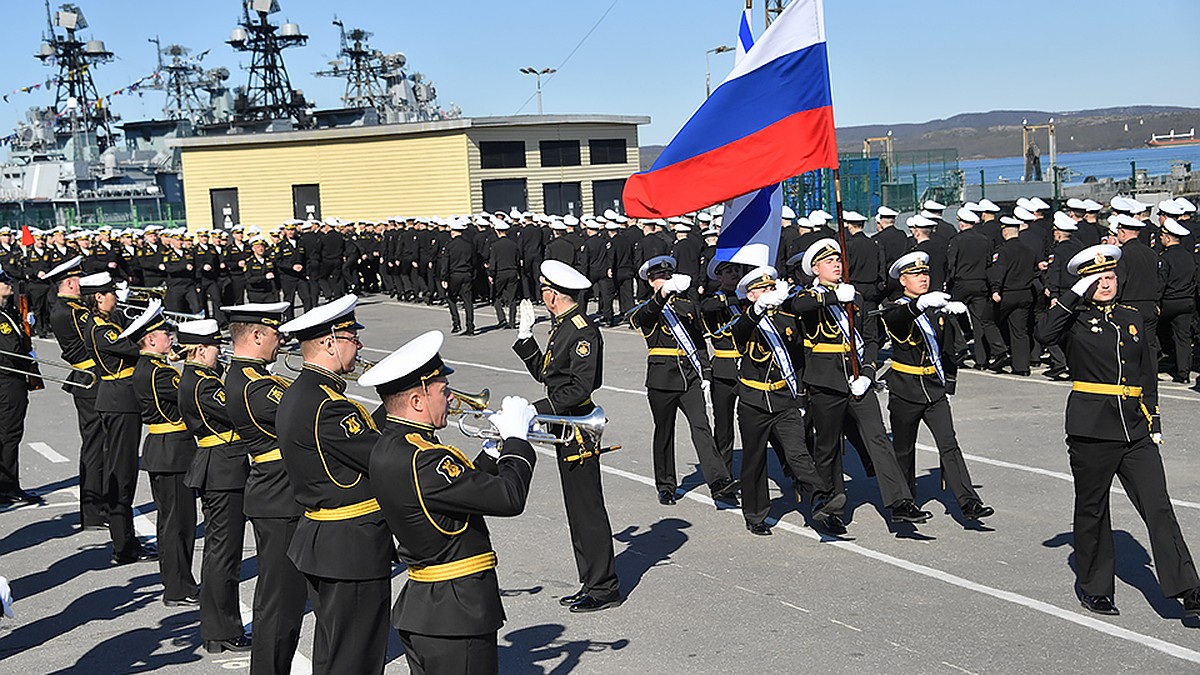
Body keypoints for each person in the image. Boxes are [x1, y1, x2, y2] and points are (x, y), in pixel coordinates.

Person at [1035, 244, 1200, 618]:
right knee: (1093, 508)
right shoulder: (1071, 318)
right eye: (1096, 279)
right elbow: (1044, 334)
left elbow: (1144, 374)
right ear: (1083, 284)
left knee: (1158, 505)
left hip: (1135, 427)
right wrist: (1072, 294)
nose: (1105, 283)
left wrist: (1154, 420)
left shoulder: (1132, 316)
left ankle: (1188, 588)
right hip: (1092, 428)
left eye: (1110, 277)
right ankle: (1095, 588)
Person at [362, 331, 537, 674]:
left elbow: (451, 492)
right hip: (457, 612)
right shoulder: (426, 458)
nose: (451, 397)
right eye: (443, 391)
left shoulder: (391, 446)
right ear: (416, 401)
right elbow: (509, 497)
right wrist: (518, 442)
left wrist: (490, 455)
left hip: (428, 606)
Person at [783, 239, 931, 533]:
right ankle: (829, 507)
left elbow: (871, 339)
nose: (837, 265)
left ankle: (900, 502)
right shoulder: (810, 297)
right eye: (829, 262)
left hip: (857, 380)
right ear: (815, 269)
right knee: (828, 448)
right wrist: (833, 298)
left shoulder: (857, 298)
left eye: (839, 261)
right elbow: (797, 306)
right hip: (825, 382)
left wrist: (867, 372)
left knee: (877, 438)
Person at [277, 295, 391, 674]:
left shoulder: (301, 393)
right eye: (351, 337)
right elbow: (380, 459)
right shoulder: (331, 405)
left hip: (324, 537)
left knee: (333, 652)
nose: (358, 346)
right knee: (355, 657)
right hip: (350, 544)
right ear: (329, 342)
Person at [513, 261, 621, 613]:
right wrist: (526, 340)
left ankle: (604, 588)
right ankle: (589, 581)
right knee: (576, 511)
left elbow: (579, 387)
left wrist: (536, 408)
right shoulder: (561, 327)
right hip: (564, 424)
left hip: (577, 425)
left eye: (544, 289)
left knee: (587, 509)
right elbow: (548, 374)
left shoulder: (582, 330)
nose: (541, 294)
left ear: (553, 293)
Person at [222, 301, 308, 674]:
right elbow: (307, 416)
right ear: (257, 334)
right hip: (279, 495)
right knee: (280, 603)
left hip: (275, 493)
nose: (279, 341)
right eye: (275, 333)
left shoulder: (253, 377)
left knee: (283, 600)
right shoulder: (256, 385)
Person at [879, 252, 995, 521]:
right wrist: (918, 307)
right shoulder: (893, 306)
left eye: (926, 274)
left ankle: (969, 502)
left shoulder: (936, 308)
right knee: (904, 450)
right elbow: (896, 322)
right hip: (905, 388)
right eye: (916, 275)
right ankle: (904, 503)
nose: (923, 278)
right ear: (903, 280)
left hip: (934, 388)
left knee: (949, 445)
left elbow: (949, 351)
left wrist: (948, 385)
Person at [729, 265, 842, 536]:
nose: (769, 293)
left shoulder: (786, 319)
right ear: (751, 296)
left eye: (771, 288)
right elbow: (741, 333)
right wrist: (757, 311)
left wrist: (801, 397)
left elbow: (798, 360)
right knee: (754, 459)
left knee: (799, 453)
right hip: (754, 400)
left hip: (783, 399)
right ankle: (755, 514)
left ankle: (820, 499)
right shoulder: (743, 320)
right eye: (762, 290)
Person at [629, 256, 738, 505]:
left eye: (669, 276)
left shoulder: (687, 306)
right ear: (650, 281)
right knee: (664, 432)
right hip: (661, 378)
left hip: (689, 375)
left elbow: (698, 341)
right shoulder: (646, 307)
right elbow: (646, 317)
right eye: (660, 277)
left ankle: (719, 481)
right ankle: (665, 484)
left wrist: (707, 374)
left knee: (702, 427)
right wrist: (664, 294)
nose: (666, 280)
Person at [175, 319, 252, 654]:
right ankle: (222, 630)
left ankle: (217, 628)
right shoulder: (203, 384)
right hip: (222, 468)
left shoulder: (199, 378)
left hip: (220, 465)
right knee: (224, 554)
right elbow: (237, 412)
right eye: (215, 347)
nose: (219, 351)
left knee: (221, 553)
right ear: (202, 349)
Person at [129, 307, 200, 607]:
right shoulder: (158, 372)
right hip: (172, 449)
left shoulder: (150, 367)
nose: (170, 338)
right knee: (178, 524)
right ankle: (178, 587)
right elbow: (190, 394)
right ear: (150, 340)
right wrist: (196, 363)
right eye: (164, 335)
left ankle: (177, 582)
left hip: (165, 447)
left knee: (172, 522)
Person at [84, 273, 157, 565]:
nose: (116, 296)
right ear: (98, 297)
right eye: (111, 293)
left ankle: (126, 540)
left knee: (123, 472)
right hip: (118, 401)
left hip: (121, 399)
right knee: (121, 473)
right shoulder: (101, 328)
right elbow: (133, 349)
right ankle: (123, 546)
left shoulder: (110, 321)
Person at [46, 256, 105, 523]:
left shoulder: (67, 306)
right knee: (97, 446)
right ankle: (95, 510)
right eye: (79, 279)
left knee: (97, 444)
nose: (83, 283)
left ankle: (96, 508)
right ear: (70, 282)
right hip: (90, 377)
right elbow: (96, 340)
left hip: (87, 376)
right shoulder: (73, 311)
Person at [0, 267, 40, 506]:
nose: (8, 284)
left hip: (11, 379)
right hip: (7, 380)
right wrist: (28, 354)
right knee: (9, 434)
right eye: (3, 281)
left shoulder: (9, 311)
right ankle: (7, 486)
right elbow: (10, 351)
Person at [700, 259, 744, 472]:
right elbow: (707, 308)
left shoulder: (749, 297)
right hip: (724, 368)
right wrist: (739, 298)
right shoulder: (716, 299)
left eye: (737, 270)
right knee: (724, 427)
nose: (734, 273)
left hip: (748, 368)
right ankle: (723, 473)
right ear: (719, 277)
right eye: (729, 271)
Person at [987, 216, 1037, 375]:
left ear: (1005, 232)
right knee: (1020, 331)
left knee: (986, 319)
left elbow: (999, 271)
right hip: (1025, 293)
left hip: (1008, 293)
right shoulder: (1029, 250)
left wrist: (995, 290)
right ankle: (1022, 367)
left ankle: (1000, 351)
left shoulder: (1003, 251)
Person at [441, 219, 477, 335]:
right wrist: (473, 274)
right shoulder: (469, 245)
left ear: (452, 231)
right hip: (466, 273)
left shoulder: (450, 245)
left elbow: (445, 263)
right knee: (468, 301)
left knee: (451, 298)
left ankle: (456, 324)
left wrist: (444, 278)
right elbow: (474, 261)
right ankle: (470, 326)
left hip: (454, 275)